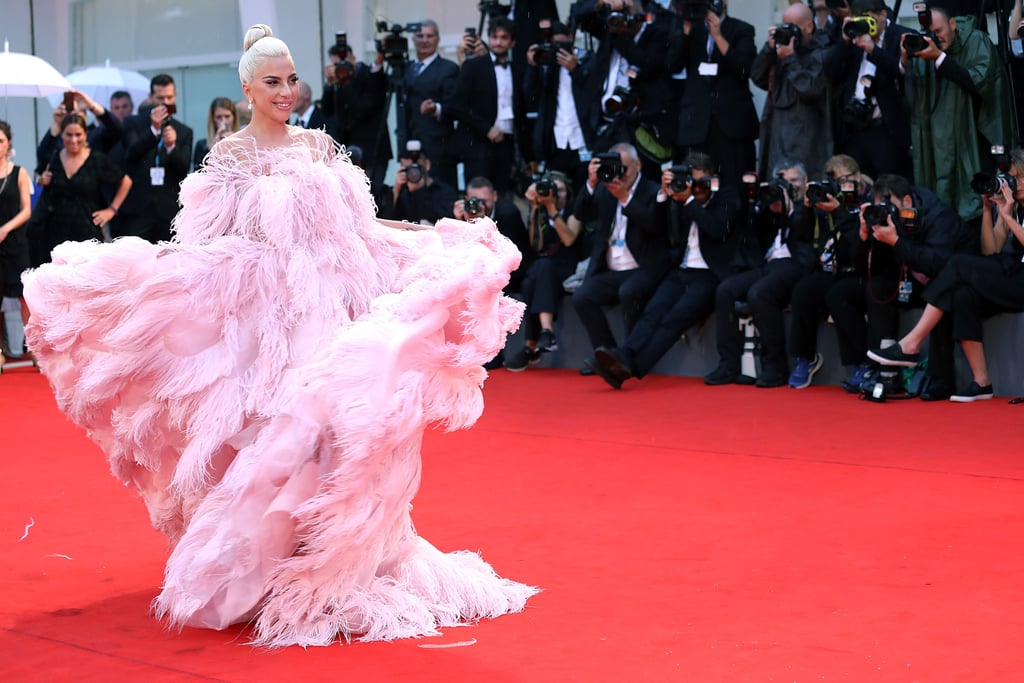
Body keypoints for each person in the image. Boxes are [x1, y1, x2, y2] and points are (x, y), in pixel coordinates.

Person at [22, 24, 536, 647]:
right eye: (272, 82)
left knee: (341, 433)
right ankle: (268, 571)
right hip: (267, 313)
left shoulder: (320, 146)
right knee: (277, 435)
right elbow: (205, 242)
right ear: (246, 89)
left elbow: (361, 227)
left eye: (292, 79)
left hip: (336, 300)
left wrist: (428, 231)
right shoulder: (229, 156)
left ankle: (333, 561)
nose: (286, 91)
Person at [868, 149, 1024, 401]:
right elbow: (990, 250)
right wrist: (988, 210)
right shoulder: (1013, 206)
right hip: (1011, 273)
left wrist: (1006, 215)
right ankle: (982, 382)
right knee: (962, 294)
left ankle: (911, 344)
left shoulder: (1012, 211)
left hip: (1019, 277)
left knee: (957, 264)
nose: (1011, 184)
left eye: (1017, 178)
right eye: (1009, 178)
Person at [587, 152, 743, 389]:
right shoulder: (680, 196)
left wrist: (690, 200)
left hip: (710, 275)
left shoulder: (727, 197)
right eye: (692, 182)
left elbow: (716, 229)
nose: (696, 188)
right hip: (681, 269)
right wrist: (664, 194)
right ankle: (624, 356)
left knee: (674, 319)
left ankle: (629, 367)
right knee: (653, 311)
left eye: (701, 183)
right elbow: (656, 225)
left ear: (712, 180)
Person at [828, 173, 976, 399]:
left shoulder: (938, 216)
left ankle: (940, 376)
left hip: (951, 281)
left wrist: (896, 241)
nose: (885, 211)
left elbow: (937, 263)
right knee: (872, 287)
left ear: (906, 201)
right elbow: (866, 267)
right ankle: (877, 367)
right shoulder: (888, 219)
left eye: (889, 206)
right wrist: (864, 235)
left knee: (940, 292)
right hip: (911, 280)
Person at [704, 160, 816, 388]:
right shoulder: (769, 209)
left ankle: (775, 366)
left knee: (759, 293)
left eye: (794, 180)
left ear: (805, 182)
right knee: (725, 290)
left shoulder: (811, 204)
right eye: (784, 181)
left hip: (797, 265)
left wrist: (790, 208)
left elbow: (804, 232)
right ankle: (728, 363)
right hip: (767, 265)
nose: (790, 186)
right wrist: (760, 201)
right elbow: (750, 231)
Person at [902, 7, 1016, 222]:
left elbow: (978, 82)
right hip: (943, 142)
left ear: (953, 23)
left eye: (940, 30)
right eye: (931, 31)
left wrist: (940, 58)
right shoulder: (925, 49)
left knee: (981, 203)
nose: (937, 37)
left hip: (979, 135)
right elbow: (914, 102)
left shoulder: (976, 41)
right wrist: (905, 63)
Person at [570, 141, 669, 371]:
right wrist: (592, 184)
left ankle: (631, 356)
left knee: (629, 292)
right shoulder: (605, 189)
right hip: (611, 269)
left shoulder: (653, 190)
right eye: (615, 167)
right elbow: (580, 213)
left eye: (623, 168)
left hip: (644, 267)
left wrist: (625, 198)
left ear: (638, 165)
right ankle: (607, 355)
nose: (619, 174)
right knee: (582, 296)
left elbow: (655, 226)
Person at [786, 154, 870, 389]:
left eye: (846, 179)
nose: (842, 185)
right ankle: (805, 358)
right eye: (837, 181)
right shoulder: (825, 199)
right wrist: (805, 208)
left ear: (857, 176)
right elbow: (800, 235)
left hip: (861, 270)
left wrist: (838, 211)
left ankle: (861, 364)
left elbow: (858, 241)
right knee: (804, 290)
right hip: (831, 268)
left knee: (839, 296)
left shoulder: (867, 198)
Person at [665, 0, 760, 191]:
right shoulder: (690, 30)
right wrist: (685, 29)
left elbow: (744, 69)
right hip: (697, 125)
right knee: (697, 186)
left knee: (733, 186)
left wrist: (717, 35)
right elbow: (671, 66)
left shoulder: (741, 29)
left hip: (731, 126)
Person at [503, 171, 582, 370]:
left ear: (568, 192)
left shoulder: (574, 209)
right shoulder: (541, 209)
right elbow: (535, 245)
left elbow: (569, 239)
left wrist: (551, 208)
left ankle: (531, 345)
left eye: (560, 190)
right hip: (545, 268)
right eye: (552, 190)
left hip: (567, 264)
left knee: (539, 270)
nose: (556, 194)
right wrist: (536, 209)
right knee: (534, 275)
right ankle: (545, 335)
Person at [828, 0, 913, 180]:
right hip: (854, 126)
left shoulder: (900, 36)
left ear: (883, 15)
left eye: (870, 20)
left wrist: (873, 50)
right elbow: (830, 74)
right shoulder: (854, 37)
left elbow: (901, 71)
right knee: (857, 182)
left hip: (886, 129)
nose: (867, 25)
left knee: (889, 184)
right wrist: (844, 40)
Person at [30, 113, 132, 259]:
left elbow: (125, 181)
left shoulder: (96, 159)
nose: (73, 140)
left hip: (87, 230)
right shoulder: (55, 157)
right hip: (57, 231)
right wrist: (42, 180)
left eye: (78, 134)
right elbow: (40, 175)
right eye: (68, 135)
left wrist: (111, 210)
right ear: (62, 135)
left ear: (86, 134)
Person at [751, 2, 833, 179]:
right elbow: (757, 76)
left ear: (809, 27)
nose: (788, 32)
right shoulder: (781, 51)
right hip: (776, 130)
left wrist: (790, 60)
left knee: (800, 181)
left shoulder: (822, 52)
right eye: (784, 26)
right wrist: (768, 49)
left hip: (806, 134)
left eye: (792, 27)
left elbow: (810, 88)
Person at [448, 18, 525, 195]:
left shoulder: (518, 70)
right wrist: (486, 128)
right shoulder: (473, 66)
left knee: (501, 197)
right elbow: (456, 105)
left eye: (504, 38)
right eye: (494, 37)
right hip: (477, 144)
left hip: (506, 145)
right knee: (477, 199)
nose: (498, 42)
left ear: (512, 42)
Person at [118, 74, 194, 242]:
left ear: (175, 96)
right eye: (160, 98)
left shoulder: (183, 131)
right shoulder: (133, 123)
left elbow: (183, 170)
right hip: (138, 208)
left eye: (169, 97)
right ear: (151, 97)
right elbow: (130, 155)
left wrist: (171, 147)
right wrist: (153, 130)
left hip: (169, 211)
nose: (165, 102)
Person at [400, 20, 459, 188]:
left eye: (429, 36)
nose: (424, 40)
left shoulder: (448, 68)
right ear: (413, 39)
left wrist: (436, 108)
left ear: (438, 39)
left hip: (439, 148)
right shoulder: (406, 68)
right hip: (410, 146)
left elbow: (455, 107)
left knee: (441, 196)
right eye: (420, 36)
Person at [453, 175, 531, 292]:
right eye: (474, 201)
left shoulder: (509, 213)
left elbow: (503, 254)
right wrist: (458, 222)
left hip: (509, 277)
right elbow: (456, 251)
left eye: (484, 201)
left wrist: (482, 223)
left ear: (495, 196)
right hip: (473, 274)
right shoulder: (463, 213)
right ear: (466, 199)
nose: (480, 206)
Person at [0, 120, 33, 366]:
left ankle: (33, 348)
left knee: (25, 298)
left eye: (0, 141)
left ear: (8, 143)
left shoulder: (19, 172)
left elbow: (26, 210)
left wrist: (6, 228)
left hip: (15, 244)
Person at [192, 97, 240, 170]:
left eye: (227, 116)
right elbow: (198, 173)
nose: (223, 121)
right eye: (219, 117)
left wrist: (236, 144)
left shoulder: (243, 141)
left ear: (234, 117)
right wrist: (213, 150)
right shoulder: (202, 145)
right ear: (213, 119)